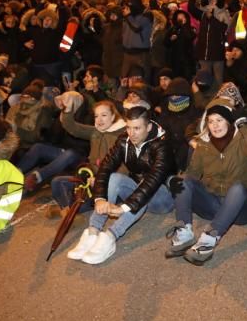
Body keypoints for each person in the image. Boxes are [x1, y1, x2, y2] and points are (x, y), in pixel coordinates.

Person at [66, 105, 175, 265]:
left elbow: (152, 181)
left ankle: (110, 237)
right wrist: (100, 198)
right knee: (115, 178)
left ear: (149, 126)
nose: (132, 133)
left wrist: (123, 207)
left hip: (161, 197)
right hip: (138, 192)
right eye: (129, 128)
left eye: (137, 128)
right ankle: (93, 232)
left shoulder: (162, 145)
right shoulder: (124, 140)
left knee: (144, 185)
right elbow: (105, 167)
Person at [164, 98, 247, 265]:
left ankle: (208, 240)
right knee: (183, 180)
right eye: (211, 121)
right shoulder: (204, 145)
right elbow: (193, 173)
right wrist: (179, 185)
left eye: (220, 120)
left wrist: (243, 124)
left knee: (238, 188)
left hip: (243, 208)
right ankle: (184, 232)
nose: (215, 125)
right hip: (214, 203)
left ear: (229, 122)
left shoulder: (241, 139)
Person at [53, 94, 126, 212]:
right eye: (96, 116)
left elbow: (123, 170)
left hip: (111, 184)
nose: (99, 119)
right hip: (92, 179)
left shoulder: (123, 136)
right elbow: (73, 128)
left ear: (113, 117)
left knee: (80, 203)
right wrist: (67, 109)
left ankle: (70, 210)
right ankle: (68, 211)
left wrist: (99, 181)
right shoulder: (95, 131)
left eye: (104, 115)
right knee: (57, 182)